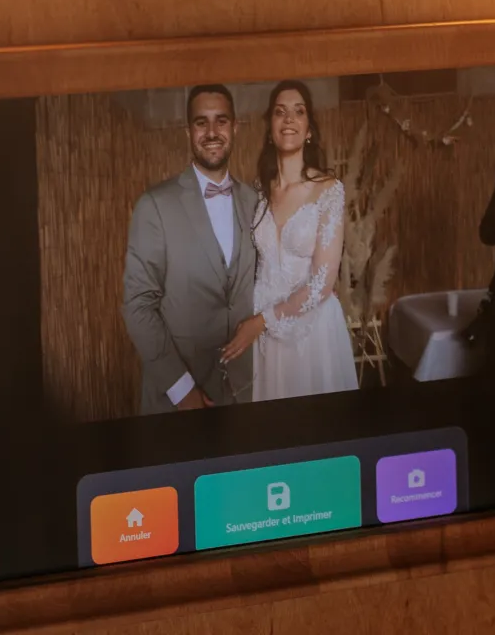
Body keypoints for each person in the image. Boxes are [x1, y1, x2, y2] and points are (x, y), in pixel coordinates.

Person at [121, 84, 260, 413]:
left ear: (235, 128)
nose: (212, 132)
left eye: (221, 121)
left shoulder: (256, 202)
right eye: (201, 122)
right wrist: (183, 391)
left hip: (246, 392)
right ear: (188, 131)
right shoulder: (154, 205)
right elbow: (138, 307)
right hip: (178, 401)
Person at [219, 80, 359, 400]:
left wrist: (262, 321)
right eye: (280, 112)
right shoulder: (257, 192)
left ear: (309, 128)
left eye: (299, 111)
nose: (289, 119)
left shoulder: (328, 190)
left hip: (312, 331)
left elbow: (323, 283)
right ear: (270, 128)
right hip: (268, 338)